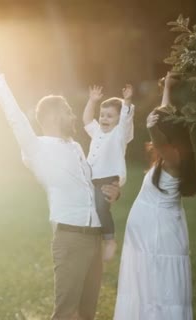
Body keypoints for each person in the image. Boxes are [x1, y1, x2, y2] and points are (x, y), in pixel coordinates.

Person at [0, 54, 120, 320]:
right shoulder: (36, 148)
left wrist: (115, 192)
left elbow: (92, 187)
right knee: (65, 313)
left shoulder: (77, 147)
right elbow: (13, 116)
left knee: (86, 314)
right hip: (70, 238)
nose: (73, 116)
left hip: (94, 237)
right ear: (53, 115)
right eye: (69, 111)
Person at [114, 72, 196, 320]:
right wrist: (167, 87)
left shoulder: (174, 158)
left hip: (158, 237)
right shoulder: (173, 153)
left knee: (159, 291)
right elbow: (164, 116)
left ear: (170, 135)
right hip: (148, 235)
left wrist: (153, 122)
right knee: (147, 289)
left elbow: (156, 128)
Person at [82, 84, 135, 261]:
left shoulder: (119, 134)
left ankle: (110, 240)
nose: (104, 119)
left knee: (101, 207)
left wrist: (127, 101)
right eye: (102, 115)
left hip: (108, 177)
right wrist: (92, 101)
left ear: (119, 119)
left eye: (110, 116)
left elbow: (126, 119)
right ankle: (93, 241)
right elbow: (87, 120)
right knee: (92, 208)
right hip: (92, 178)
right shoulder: (97, 132)